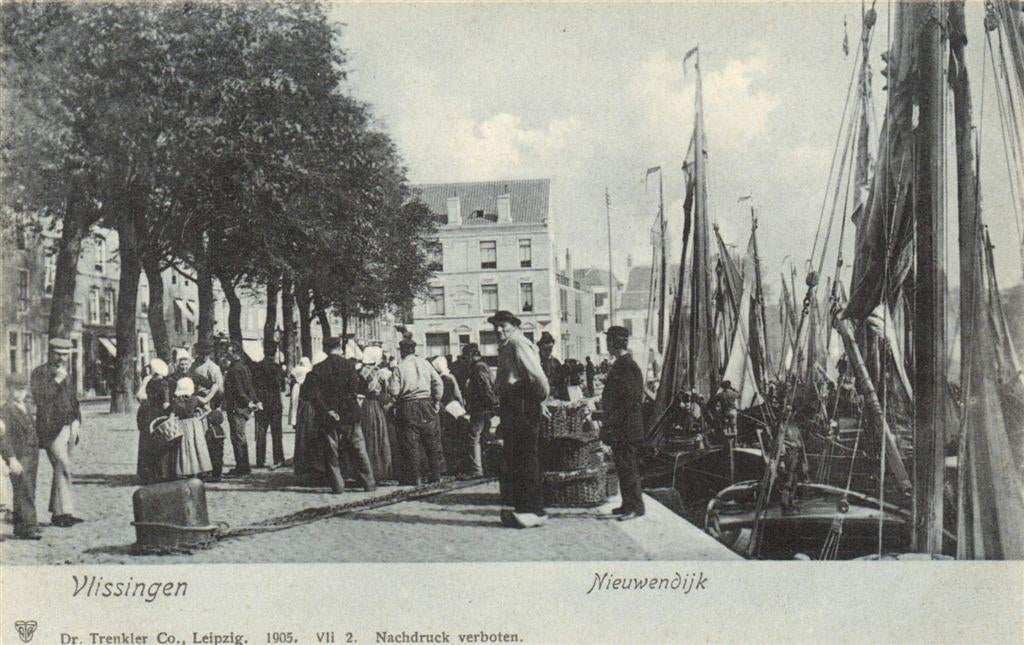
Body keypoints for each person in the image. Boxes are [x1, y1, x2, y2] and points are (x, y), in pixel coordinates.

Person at [490, 310, 550, 528]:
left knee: (526, 457)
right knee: (516, 457)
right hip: (513, 405)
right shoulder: (507, 346)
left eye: (502, 326)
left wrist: (537, 400)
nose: (498, 330)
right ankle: (522, 507)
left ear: (514, 326)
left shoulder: (517, 344)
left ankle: (533, 509)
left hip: (522, 403)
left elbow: (537, 376)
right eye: (495, 326)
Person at [30, 337, 83, 527]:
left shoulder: (69, 373)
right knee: (63, 465)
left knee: (61, 468)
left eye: (65, 355)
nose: (62, 358)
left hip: (69, 427)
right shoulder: (40, 373)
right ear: (50, 352)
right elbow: (41, 399)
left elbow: (74, 401)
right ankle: (64, 512)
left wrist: (77, 421)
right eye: (58, 354)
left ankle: (61, 512)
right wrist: (57, 381)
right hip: (51, 428)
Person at [311, 336, 375, 493]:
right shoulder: (349, 365)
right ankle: (369, 482)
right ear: (339, 347)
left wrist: (328, 411)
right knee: (359, 448)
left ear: (325, 349)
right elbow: (354, 389)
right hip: (349, 413)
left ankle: (338, 486)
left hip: (329, 416)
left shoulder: (318, 368)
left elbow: (315, 396)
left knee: (331, 452)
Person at [600, 326, 646, 520]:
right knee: (623, 466)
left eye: (608, 341)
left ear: (613, 343)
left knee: (628, 467)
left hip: (626, 427)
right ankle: (627, 503)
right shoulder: (622, 364)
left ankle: (635, 507)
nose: (606, 344)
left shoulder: (627, 366)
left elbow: (630, 400)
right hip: (623, 426)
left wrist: (611, 421)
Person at [387, 337, 445, 485]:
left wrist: (396, 401)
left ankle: (415, 477)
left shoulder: (400, 367)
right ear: (414, 349)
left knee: (410, 442)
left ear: (402, 351)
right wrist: (436, 401)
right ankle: (436, 475)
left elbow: (394, 391)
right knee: (432, 441)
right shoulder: (426, 363)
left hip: (407, 404)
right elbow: (438, 382)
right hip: (427, 402)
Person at [1, 373, 41, 539]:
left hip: (31, 453)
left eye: (23, 390)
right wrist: (11, 458)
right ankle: (28, 527)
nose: (20, 393)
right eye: (16, 390)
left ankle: (23, 524)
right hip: (19, 455)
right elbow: (4, 437)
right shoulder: (6, 410)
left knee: (29, 488)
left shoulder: (25, 406)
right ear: (9, 389)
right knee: (23, 489)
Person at [460, 343, 498, 478]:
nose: (464, 361)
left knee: (473, 437)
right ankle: (487, 466)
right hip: (484, 407)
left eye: (465, 357)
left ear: (470, 355)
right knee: (483, 436)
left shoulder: (478, 368)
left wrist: (493, 404)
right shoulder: (483, 366)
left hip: (480, 408)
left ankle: (477, 469)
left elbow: (485, 388)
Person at [190, 342, 226, 481]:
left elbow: (220, 390)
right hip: (196, 405)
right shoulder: (194, 366)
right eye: (201, 354)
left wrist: (210, 402)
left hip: (208, 405)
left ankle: (212, 469)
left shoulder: (213, 368)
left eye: (206, 354)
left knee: (210, 437)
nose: (203, 356)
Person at [223, 343, 260, 476]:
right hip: (243, 407)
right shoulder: (244, 367)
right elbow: (249, 387)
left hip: (236, 408)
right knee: (241, 437)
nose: (227, 354)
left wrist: (248, 402)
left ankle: (242, 467)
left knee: (237, 437)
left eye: (229, 352)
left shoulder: (234, 370)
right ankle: (244, 466)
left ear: (235, 354)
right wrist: (255, 400)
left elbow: (239, 391)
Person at [359, 346, 393, 482]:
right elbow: (386, 392)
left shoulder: (361, 372)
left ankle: (365, 469)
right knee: (379, 436)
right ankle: (380, 468)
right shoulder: (382, 373)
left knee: (366, 436)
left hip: (364, 406)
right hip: (377, 407)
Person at [293, 352, 327, 481]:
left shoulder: (311, 375)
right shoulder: (319, 375)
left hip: (308, 410)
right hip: (314, 410)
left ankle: (308, 468)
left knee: (306, 439)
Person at [137, 358, 172, 484]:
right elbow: (165, 404)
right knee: (159, 443)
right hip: (158, 416)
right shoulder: (163, 384)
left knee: (147, 443)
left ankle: (146, 473)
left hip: (148, 415)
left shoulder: (150, 382)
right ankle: (161, 473)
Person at [431, 355, 467, 476]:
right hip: (454, 407)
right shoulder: (451, 377)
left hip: (443, 409)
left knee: (447, 439)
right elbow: (458, 395)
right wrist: (462, 407)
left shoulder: (435, 379)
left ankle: (449, 466)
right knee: (459, 437)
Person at [252, 340, 285, 468]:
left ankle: (260, 460)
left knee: (261, 432)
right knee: (276, 433)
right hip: (275, 404)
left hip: (261, 404)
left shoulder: (257, 367)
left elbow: (254, 385)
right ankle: (278, 459)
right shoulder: (276, 368)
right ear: (275, 352)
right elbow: (280, 386)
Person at [536, 332, 569, 401]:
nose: (548, 352)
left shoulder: (556, 363)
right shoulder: (535, 362)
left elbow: (562, 384)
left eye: (550, 349)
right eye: (545, 350)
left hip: (555, 398)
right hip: (539, 398)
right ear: (540, 348)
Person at [288, 357, 312, 428]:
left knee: (294, 405)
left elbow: (290, 376)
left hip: (296, 387)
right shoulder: (308, 369)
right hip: (305, 387)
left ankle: (294, 421)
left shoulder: (297, 369)